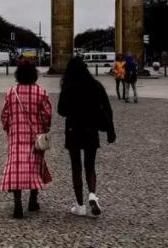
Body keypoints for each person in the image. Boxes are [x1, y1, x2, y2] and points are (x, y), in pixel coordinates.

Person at [58, 56, 115, 217]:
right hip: (91, 129)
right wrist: (110, 130)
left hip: (73, 130)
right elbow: (107, 109)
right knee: (90, 165)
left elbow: (61, 110)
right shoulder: (95, 85)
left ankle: (80, 206)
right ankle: (92, 194)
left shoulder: (68, 86)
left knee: (76, 167)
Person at [0, 59, 52, 219]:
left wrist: (9, 128)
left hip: (16, 136)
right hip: (34, 136)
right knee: (35, 166)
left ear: (18, 74)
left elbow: (4, 116)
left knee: (16, 167)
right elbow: (46, 115)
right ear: (34, 74)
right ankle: (32, 201)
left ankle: (17, 205)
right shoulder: (41, 92)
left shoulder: (10, 92)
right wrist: (44, 128)